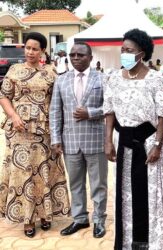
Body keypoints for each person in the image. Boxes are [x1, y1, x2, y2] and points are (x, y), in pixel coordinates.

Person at [103, 28, 163, 250]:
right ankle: (128, 242)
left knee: (149, 195)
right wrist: (108, 141)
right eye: (122, 49)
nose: (123, 53)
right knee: (127, 195)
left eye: (129, 50)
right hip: (124, 143)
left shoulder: (157, 77)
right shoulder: (113, 77)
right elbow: (109, 111)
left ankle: (153, 243)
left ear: (141, 53)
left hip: (148, 143)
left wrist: (157, 145)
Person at [0, 32, 70, 238]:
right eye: (28, 48)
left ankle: (44, 215)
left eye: (35, 49)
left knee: (44, 171)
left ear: (43, 51)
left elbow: (59, 100)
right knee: (23, 173)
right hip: (19, 131)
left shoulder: (51, 72)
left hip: (45, 131)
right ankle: (27, 219)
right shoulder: (14, 70)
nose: (30, 52)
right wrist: (13, 116)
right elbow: (4, 96)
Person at [49, 42, 108, 238]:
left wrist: (91, 113)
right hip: (70, 141)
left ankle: (99, 220)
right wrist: (56, 138)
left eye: (80, 55)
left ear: (90, 57)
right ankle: (80, 218)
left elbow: (111, 107)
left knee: (98, 183)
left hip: (96, 141)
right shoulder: (61, 80)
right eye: (72, 55)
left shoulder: (102, 79)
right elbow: (55, 111)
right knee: (76, 183)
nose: (75, 58)